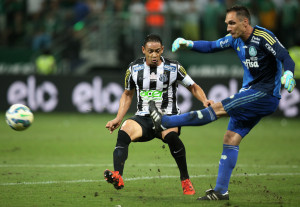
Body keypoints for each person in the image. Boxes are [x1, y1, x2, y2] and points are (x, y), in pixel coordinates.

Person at [149, 5, 296, 200]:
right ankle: (221, 191)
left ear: (245, 22)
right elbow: (211, 46)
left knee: (216, 108)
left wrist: (288, 73)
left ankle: (166, 122)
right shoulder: (235, 40)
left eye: (232, 23)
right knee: (230, 138)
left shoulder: (263, 37)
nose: (228, 28)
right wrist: (188, 43)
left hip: (264, 94)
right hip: (251, 93)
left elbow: (285, 56)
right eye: (227, 23)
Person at [104, 34, 214, 195]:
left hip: (168, 117)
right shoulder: (134, 68)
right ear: (143, 50)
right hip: (143, 118)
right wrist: (118, 118)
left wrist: (205, 100)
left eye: (157, 51)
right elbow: (127, 94)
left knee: (171, 138)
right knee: (124, 131)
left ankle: (185, 180)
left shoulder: (174, 67)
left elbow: (193, 86)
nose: (154, 55)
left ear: (162, 50)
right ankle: (118, 175)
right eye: (150, 51)